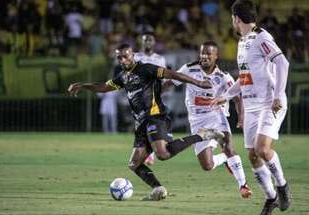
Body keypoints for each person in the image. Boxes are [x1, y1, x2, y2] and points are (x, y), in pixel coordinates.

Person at [68, 43, 224, 201]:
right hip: (141, 124)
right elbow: (103, 87)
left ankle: (203, 135)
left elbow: (173, 74)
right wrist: (83, 85)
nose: (123, 60)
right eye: (119, 58)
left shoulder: (146, 69)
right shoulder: (123, 77)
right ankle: (158, 189)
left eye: (126, 56)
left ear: (133, 55)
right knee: (134, 164)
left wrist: (199, 83)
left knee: (162, 154)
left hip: (155, 117)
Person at [212, 1, 291, 214]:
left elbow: (283, 63)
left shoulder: (261, 37)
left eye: (232, 18)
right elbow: (245, 77)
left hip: (269, 103)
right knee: (253, 155)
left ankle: (282, 186)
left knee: (262, 149)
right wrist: (226, 96)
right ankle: (271, 197)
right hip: (251, 105)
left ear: (236, 18)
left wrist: (277, 96)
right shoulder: (243, 41)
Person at [167, 41, 252, 198]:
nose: (204, 56)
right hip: (197, 121)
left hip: (216, 116)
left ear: (216, 56)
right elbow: (171, 82)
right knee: (207, 165)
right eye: (202, 53)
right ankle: (225, 159)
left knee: (227, 144)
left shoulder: (223, 77)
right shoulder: (189, 69)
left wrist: (241, 118)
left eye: (208, 54)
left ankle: (243, 185)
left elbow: (237, 98)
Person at [135, 31, 167, 165]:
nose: (147, 42)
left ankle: (149, 154)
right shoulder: (136, 57)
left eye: (150, 40)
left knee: (152, 123)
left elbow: (163, 77)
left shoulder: (160, 59)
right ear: (141, 42)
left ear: (154, 43)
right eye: (145, 40)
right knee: (141, 124)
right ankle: (147, 153)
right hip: (140, 95)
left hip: (155, 95)